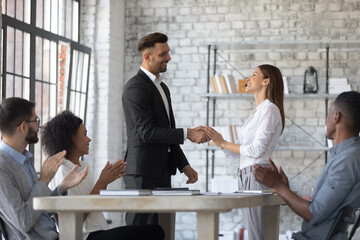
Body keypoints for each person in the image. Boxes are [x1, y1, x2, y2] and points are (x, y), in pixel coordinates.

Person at [122, 32, 209, 225]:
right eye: (163, 54)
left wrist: (184, 165)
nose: (168, 58)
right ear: (147, 57)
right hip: (142, 173)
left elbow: (167, 132)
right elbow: (148, 133)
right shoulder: (135, 88)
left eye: (168, 53)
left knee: (160, 230)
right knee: (138, 232)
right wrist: (189, 133)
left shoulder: (163, 88)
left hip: (162, 172)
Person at [42, 110, 165, 240]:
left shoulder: (83, 166)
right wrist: (102, 182)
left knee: (156, 230)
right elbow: (75, 220)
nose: (89, 139)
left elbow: (93, 202)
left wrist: (105, 181)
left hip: (99, 231)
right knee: (155, 232)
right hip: (83, 237)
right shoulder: (63, 171)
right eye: (84, 134)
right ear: (71, 137)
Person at [254, 91, 360, 240]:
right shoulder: (348, 154)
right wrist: (285, 189)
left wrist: (277, 186)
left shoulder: (347, 160)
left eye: (329, 113)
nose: (326, 119)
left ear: (337, 116)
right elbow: (321, 208)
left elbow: (314, 213)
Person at [203, 64, 285, 240]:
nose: (248, 78)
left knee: (258, 234)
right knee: (254, 232)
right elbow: (239, 153)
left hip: (257, 174)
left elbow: (256, 150)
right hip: (246, 174)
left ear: (266, 81)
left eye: (254, 75)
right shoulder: (256, 113)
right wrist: (219, 142)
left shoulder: (270, 110)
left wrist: (224, 143)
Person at [0, 97, 88, 239]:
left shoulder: (25, 159)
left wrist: (62, 188)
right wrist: (44, 180)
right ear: (23, 127)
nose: (38, 126)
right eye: (36, 120)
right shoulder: (2, 167)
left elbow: (40, 209)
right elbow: (23, 221)